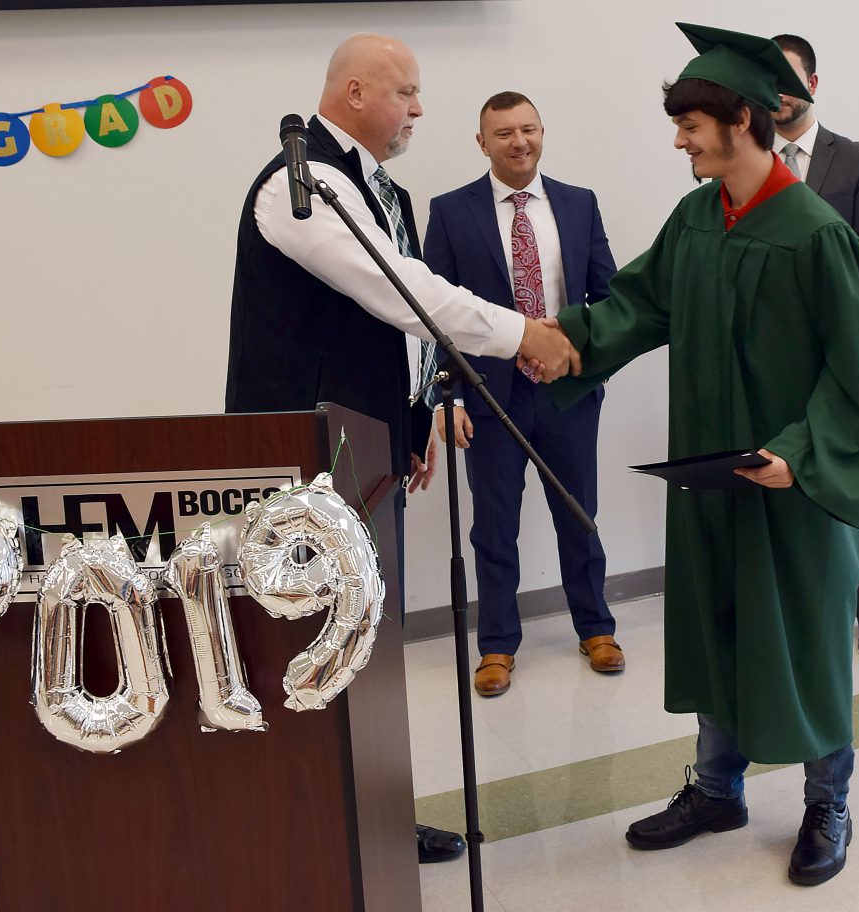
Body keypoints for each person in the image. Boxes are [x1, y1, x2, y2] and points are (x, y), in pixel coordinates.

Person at [540, 23, 859, 886]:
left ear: (739, 120)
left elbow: (857, 377)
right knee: (716, 624)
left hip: (791, 485)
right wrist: (565, 341)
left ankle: (826, 800)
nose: (679, 140)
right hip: (710, 473)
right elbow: (638, 306)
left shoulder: (815, 233)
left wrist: (800, 453)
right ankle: (717, 787)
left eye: (691, 124)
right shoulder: (698, 217)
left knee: (807, 637)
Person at [223, 33, 576, 865]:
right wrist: (520, 332)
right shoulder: (296, 187)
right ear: (353, 93)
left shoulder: (381, 189)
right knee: (314, 644)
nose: (419, 109)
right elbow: (398, 289)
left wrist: (417, 416)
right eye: (406, 93)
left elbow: (395, 330)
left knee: (366, 648)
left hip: (372, 452)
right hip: (304, 462)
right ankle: (311, 823)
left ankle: (369, 815)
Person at [423, 92, 621, 696]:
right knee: (494, 527)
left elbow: (608, 295)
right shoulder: (452, 211)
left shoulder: (578, 204)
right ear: (482, 143)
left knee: (578, 515)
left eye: (528, 129)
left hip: (566, 394)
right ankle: (497, 646)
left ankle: (596, 628)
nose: (518, 141)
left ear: (543, 133)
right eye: (503, 133)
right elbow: (433, 313)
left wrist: (588, 357)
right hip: (490, 397)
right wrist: (445, 398)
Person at [772, 33, 859, 660]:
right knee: (782, 484)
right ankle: (801, 618)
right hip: (775, 360)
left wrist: (811, 285)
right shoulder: (748, 165)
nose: (777, 92)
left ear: (813, 86)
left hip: (843, 351)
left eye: (787, 79)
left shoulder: (855, 158)